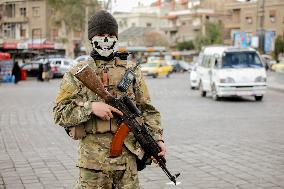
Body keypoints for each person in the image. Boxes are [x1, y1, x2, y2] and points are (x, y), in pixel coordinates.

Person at [53, 10, 166, 189]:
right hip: (92, 165)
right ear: (91, 38)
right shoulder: (77, 73)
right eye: (100, 35)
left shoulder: (131, 71)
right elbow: (59, 114)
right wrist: (90, 108)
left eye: (110, 35)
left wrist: (157, 140)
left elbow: (147, 109)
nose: (106, 39)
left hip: (127, 163)